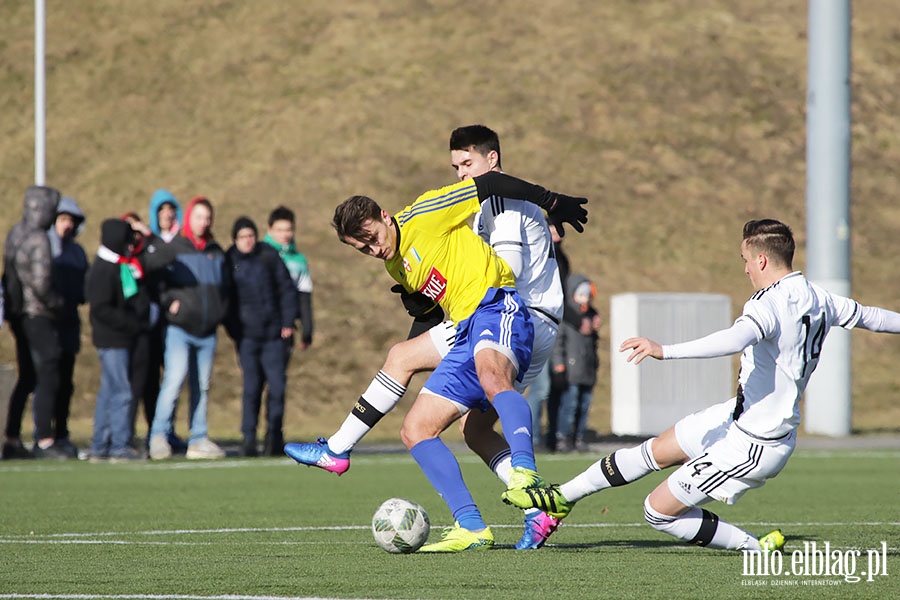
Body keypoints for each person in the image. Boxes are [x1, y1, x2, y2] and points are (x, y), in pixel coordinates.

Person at [502, 219, 900, 553]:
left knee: (657, 511)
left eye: (746, 260)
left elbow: (734, 339)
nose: (744, 268)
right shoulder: (819, 298)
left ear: (761, 259)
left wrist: (665, 350)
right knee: (652, 451)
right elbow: (872, 316)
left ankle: (754, 549)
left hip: (756, 442)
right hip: (737, 416)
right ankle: (559, 501)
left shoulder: (767, 303)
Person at [286, 125, 569, 549]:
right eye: (360, 249)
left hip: (500, 307)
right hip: (468, 325)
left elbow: (490, 196)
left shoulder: (427, 211)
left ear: (385, 216)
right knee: (417, 427)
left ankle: (526, 476)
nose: (372, 249)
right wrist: (424, 322)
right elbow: (432, 309)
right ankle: (473, 526)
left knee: (491, 378)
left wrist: (550, 200)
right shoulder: (396, 264)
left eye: (372, 238)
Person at [148, 196, 228, 460]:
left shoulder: (216, 251)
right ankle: (158, 436)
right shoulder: (176, 247)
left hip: (207, 332)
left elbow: (224, 289)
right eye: (199, 217)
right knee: (173, 380)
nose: (203, 223)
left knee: (202, 386)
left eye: (207, 218)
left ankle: (198, 438)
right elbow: (154, 277)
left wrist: (219, 312)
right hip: (180, 329)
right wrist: (169, 301)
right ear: (189, 218)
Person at [2, 185, 67, 459]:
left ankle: (12, 437)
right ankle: (44, 438)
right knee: (48, 373)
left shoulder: (15, 233)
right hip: (37, 314)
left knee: (27, 375)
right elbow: (41, 283)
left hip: (18, 315)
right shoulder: (39, 239)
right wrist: (58, 303)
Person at [224, 217, 297, 457]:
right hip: (247, 337)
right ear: (235, 239)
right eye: (243, 237)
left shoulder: (268, 255)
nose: (248, 241)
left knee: (277, 387)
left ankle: (274, 436)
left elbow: (287, 289)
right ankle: (248, 439)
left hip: (273, 336)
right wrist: (234, 330)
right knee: (251, 388)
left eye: (251, 236)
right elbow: (225, 299)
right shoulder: (229, 260)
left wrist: (288, 322)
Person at [87, 219, 153, 462]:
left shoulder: (116, 265)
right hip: (112, 339)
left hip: (119, 339)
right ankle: (119, 445)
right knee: (123, 392)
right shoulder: (104, 268)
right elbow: (101, 309)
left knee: (109, 391)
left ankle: (99, 445)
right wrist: (131, 324)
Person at [48, 196, 90, 458]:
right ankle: (43, 435)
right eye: (62, 219)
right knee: (46, 380)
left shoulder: (77, 252)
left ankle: (61, 432)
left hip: (69, 323)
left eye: (71, 221)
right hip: (48, 323)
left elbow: (83, 291)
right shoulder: (47, 248)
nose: (66, 225)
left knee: (66, 382)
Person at [553, 274, 601, 452]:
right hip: (572, 370)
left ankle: (579, 437)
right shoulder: (569, 317)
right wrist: (559, 365)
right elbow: (559, 343)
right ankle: (563, 437)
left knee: (584, 406)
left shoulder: (591, 316)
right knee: (569, 405)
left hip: (587, 370)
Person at [262, 206, 314, 352]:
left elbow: (304, 296)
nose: (284, 234)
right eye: (279, 230)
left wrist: (307, 328)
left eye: (288, 229)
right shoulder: (259, 255)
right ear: (269, 229)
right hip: (260, 328)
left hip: (286, 329)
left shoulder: (299, 260)